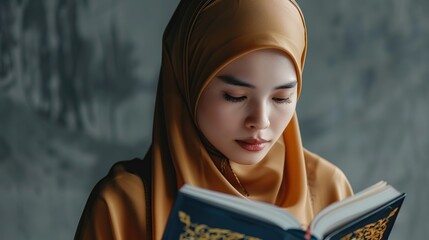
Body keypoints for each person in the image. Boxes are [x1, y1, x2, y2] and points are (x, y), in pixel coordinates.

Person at [75, 0, 353, 239]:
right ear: (187, 84)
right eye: (234, 96)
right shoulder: (121, 207)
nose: (261, 121)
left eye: (282, 98)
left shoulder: (329, 189)